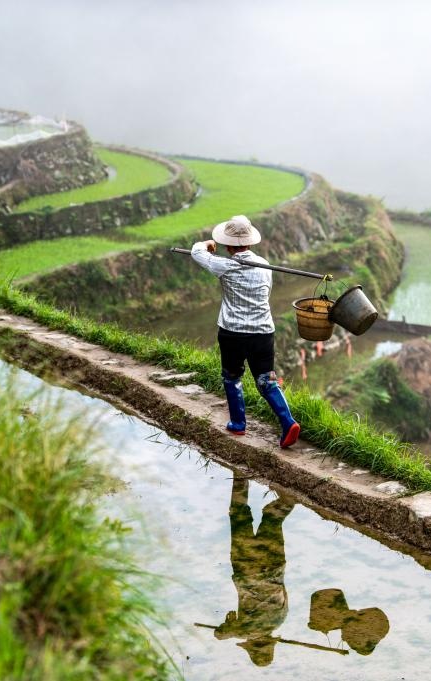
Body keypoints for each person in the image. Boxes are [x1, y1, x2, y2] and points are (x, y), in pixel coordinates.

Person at [191, 215, 301, 448]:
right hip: (263, 333)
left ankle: (238, 424)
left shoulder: (224, 265)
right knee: (267, 380)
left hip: (233, 332)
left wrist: (208, 245)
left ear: (228, 244)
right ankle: (287, 421)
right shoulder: (265, 266)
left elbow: (196, 252)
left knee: (232, 376)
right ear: (250, 242)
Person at [214, 473, 296, 666]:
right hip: (246, 567)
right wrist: (230, 626)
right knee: (238, 513)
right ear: (252, 643)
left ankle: (288, 499)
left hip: (275, 566)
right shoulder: (247, 631)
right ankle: (240, 476)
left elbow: (284, 592)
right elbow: (219, 634)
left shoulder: (281, 619)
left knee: (272, 520)